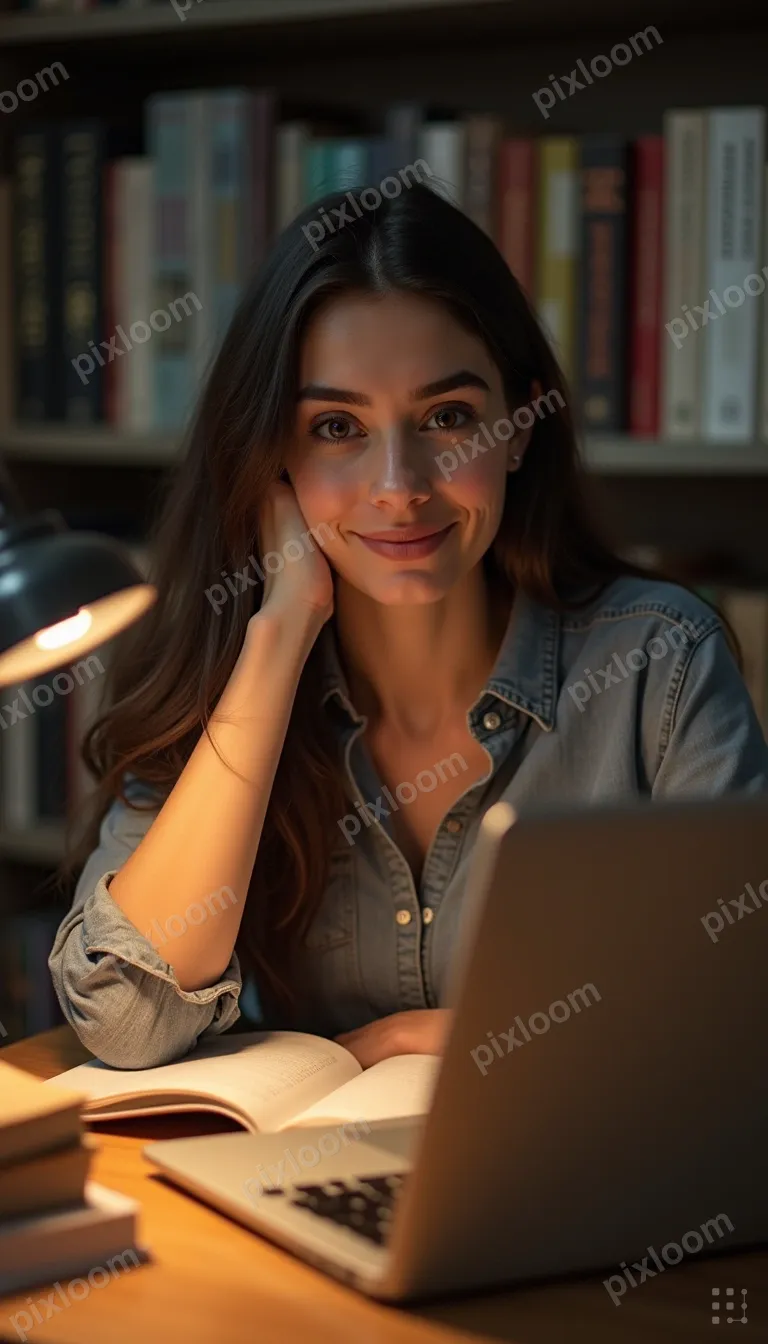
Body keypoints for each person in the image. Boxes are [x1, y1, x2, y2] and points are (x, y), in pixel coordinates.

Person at [49, 182, 768, 1071]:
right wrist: (280, 634)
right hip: (289, 1194)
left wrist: (456, 1045)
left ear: (519, 425)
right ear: (273, 456)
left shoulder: (661, 664)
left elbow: (735, 1019)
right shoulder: (219, 671)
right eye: (337, 426)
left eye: (448, 418)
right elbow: (126, 1019)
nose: (399, 484)